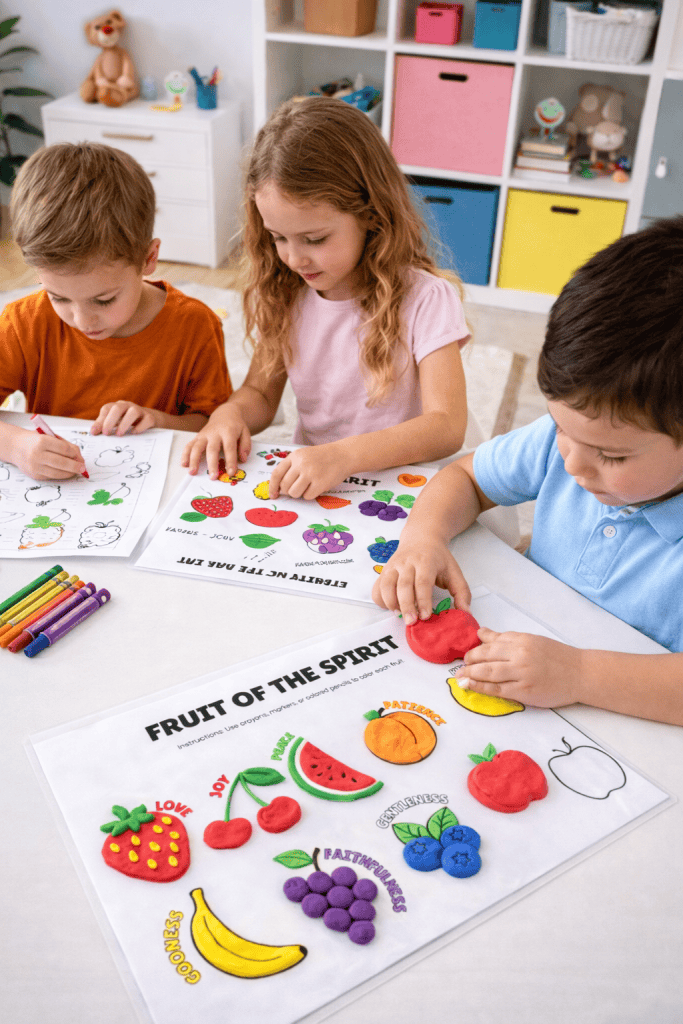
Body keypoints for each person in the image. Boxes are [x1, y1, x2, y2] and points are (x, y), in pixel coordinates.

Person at [373, 216, 683, 726]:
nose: (572, 463)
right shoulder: (572, 439)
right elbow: (466, 478)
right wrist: (424, 537)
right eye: (561, 427)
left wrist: (581, 674)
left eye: (613, 456)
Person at [181, 97, 469, 500]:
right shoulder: (286, 292)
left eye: (314, 239)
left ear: (371, 213)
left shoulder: (426, 299)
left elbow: (446, 425)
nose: (294, 258)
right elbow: (262, 395)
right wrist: (230, 413)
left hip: (400, 485)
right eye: (278, 237)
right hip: (316, 480)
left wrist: (343, 456)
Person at [0, 142, 231, 481]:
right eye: (58, 297)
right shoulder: (24, 323)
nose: (82, 320)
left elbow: (213, 424)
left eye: (104, 300)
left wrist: (157, 419)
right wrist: (15, 446)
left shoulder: (194, 325)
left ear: (148, 259)